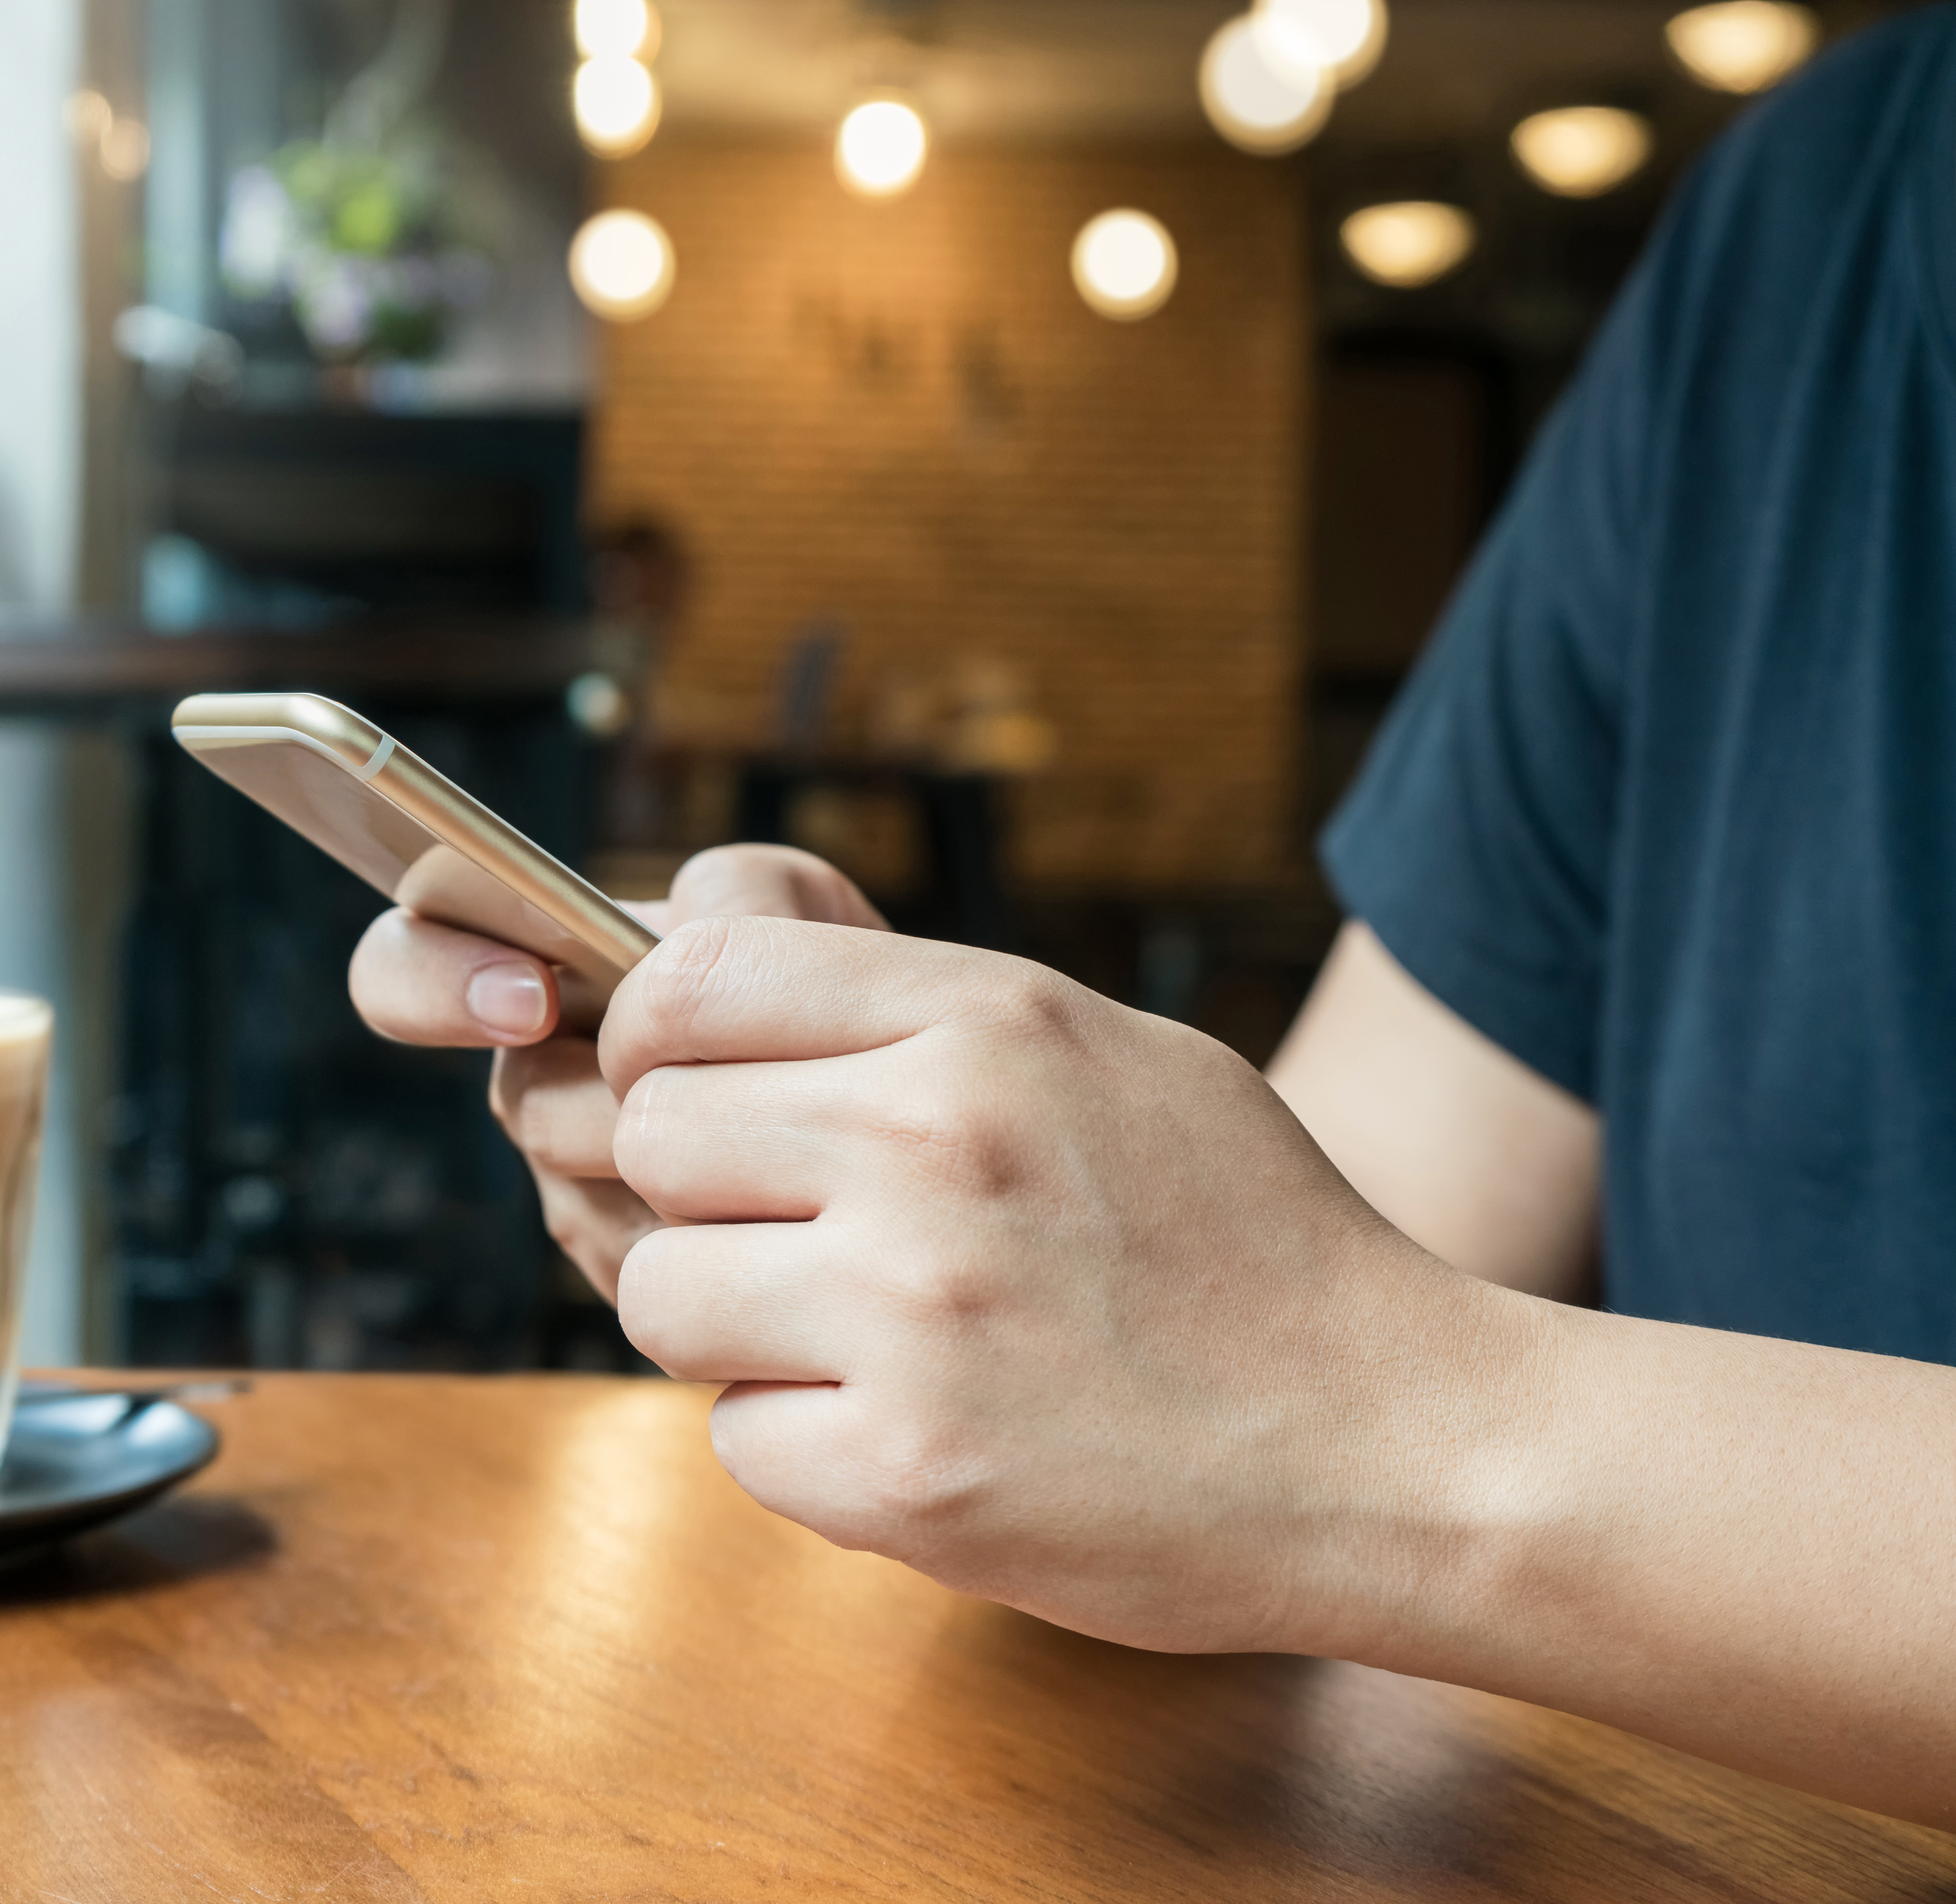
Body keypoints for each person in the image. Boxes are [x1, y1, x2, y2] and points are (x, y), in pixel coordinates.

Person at [348, 14, 1956, 1830]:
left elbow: (1334, 1388)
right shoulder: (1805, 222)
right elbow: (1363, 1236)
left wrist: (1375, 1427)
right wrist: (926, 1206)